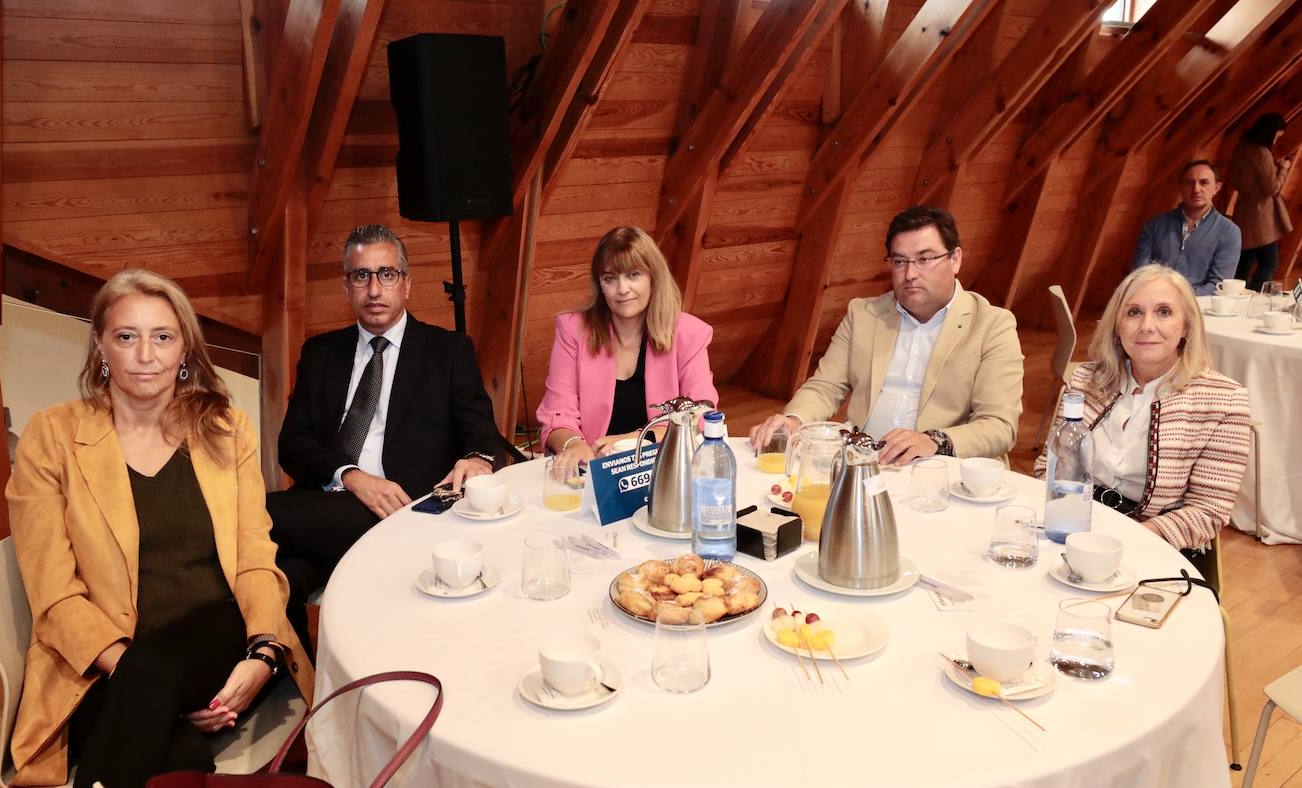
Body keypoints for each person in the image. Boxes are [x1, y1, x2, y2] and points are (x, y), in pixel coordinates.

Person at [6, 269, 314, 788]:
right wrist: (150, 681)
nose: (145, 356)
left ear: (185, 347)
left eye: (163, 337)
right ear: (99, 345)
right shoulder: (54, 436)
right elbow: (55, 595)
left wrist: (263, 651)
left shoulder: (224, 427)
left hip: (219, 634)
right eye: (126, 336)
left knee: (153, 696)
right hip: (107, 659)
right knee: (177, 751)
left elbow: (255, 557)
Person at [267, 224, 512, 640]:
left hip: (402, 512)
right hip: (328, 505)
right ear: (347, 286)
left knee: (253, 518)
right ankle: (309, 681)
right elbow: (291, 446)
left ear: (406, 283)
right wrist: (352, 476)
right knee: (280, 580)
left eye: (387, 274)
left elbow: (485, 438)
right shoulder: (321, 353)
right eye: (361, 276)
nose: (374, 289)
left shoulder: (448, 351)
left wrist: (475, 459)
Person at [748, 205, 1024, 465]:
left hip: (939, 471)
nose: (910, 274)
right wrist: (795, 420)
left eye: (925, 259)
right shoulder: (863, 315)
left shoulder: (992, 325)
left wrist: (933, 441)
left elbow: (1000, 425)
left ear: (955, 259)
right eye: (900, 261)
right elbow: (824, 387)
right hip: (864, 463)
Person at [1034, 265, 1250, 561]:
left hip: (1156, 542)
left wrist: (1130, 540)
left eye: (1164, 312)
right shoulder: (1086, 379)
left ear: (1186, 326)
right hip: (1073, 526)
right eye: (1134, 312)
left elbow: (1207, 512)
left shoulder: (1223, 400)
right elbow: (1049, 467)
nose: (1147, 325)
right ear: (1117, 325)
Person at [537, 226, 718, 478]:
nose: (622, 289)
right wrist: (573, 444)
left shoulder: (689, 333)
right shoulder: (573, 330)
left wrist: (634, 440)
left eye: (633, 275)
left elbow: (701, 414)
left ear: (653, 277)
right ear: (600, 284)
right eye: (610, 278)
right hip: (591, 475)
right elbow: (557, 414)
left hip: (665, 472)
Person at [1132, 159, 1241, 296]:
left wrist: (1179, 298)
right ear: (1181, 187)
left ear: (1216, 188)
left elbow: (1218, 285)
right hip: (1153, 299)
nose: (1196, 189)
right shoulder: (1155, 225)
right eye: (1189, 183)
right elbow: (1140, 273)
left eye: (1204, 182)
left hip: (1197, 307)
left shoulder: (1229, 232)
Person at [1226, 113, 1294, 291]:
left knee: (1244, 263)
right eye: (1277, 136)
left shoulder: (1241, 148)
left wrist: (1274, 166)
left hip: (1243, 212)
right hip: (1261, 216)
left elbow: (1239, 178)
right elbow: (1272, 188)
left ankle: (1237, 296)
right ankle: (1257, 296)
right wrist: (1283, 170)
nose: (1275, 141)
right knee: (1269, 263)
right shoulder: (1261, 153)